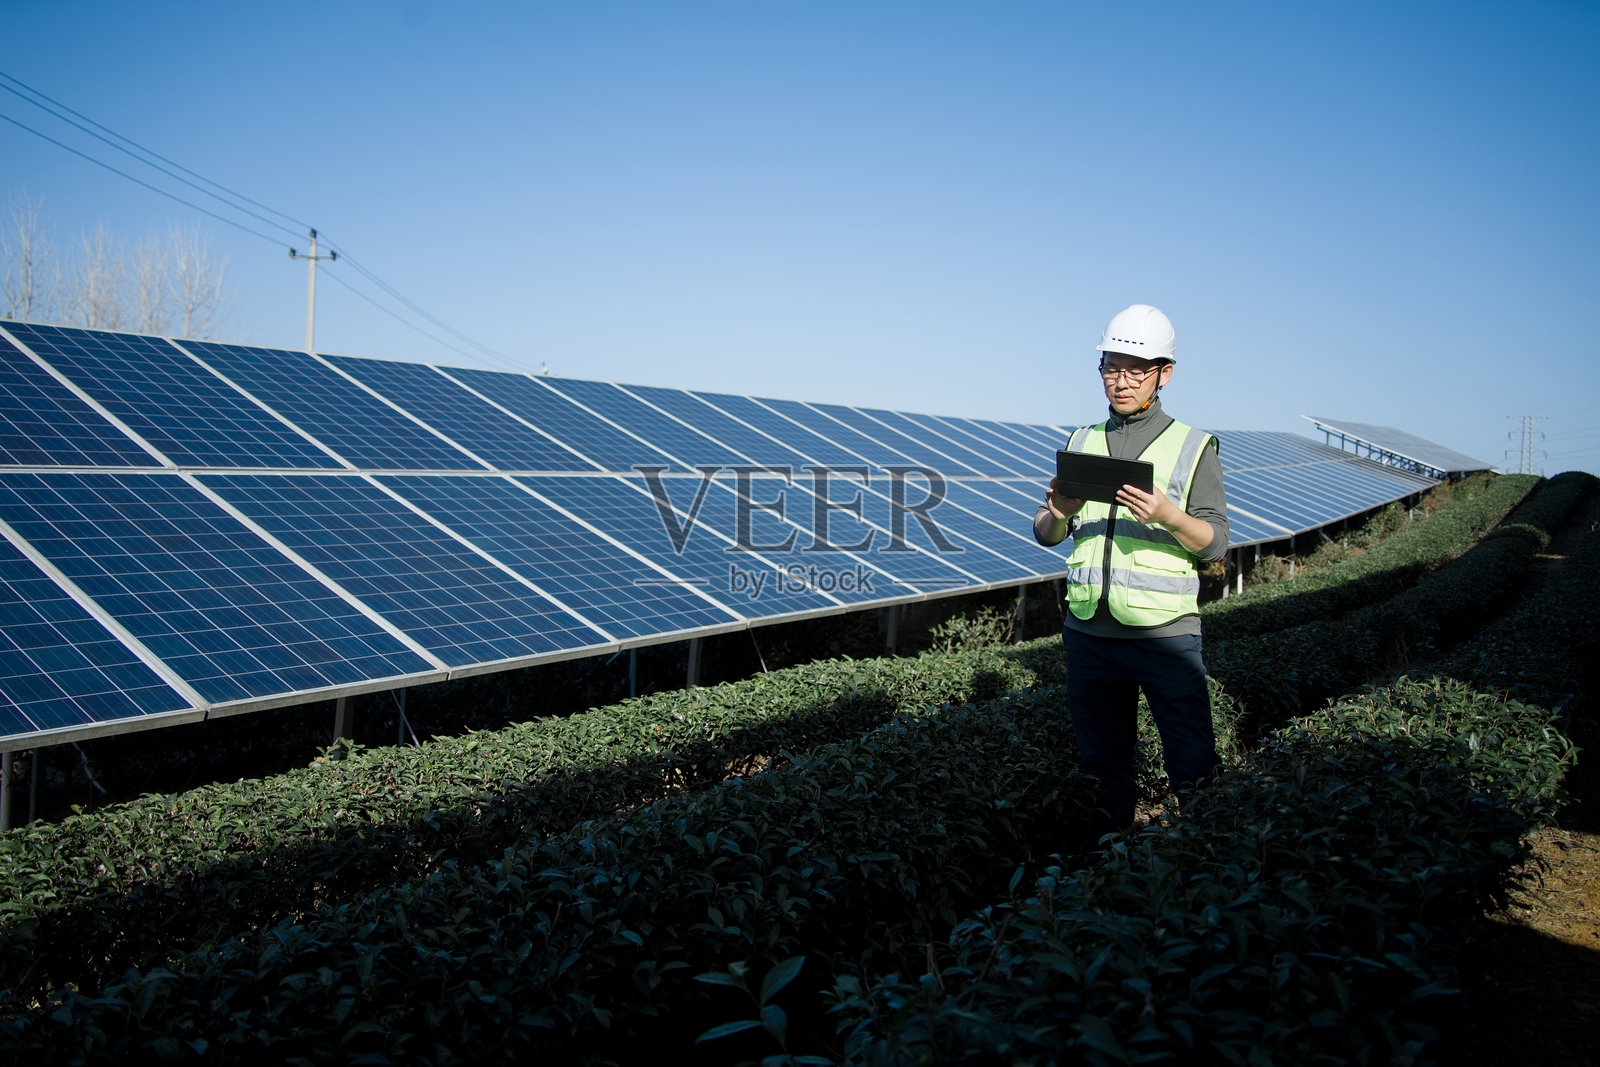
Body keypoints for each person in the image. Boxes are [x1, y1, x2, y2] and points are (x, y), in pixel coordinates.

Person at [1033, 303, 1229, 837]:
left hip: (1165, 635)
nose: (1120, 382)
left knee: (1192, 763)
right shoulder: (1081, 441)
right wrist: (1059, 513)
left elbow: (1214, 545)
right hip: (1088, 634)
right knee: (1102, 770)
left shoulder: (1192, 446)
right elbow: (1045, 533)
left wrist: (1168, 515)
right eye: (1110, 367)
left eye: (1135, 370)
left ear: (1164, 374)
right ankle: (1109, 868)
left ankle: (1207, 861)